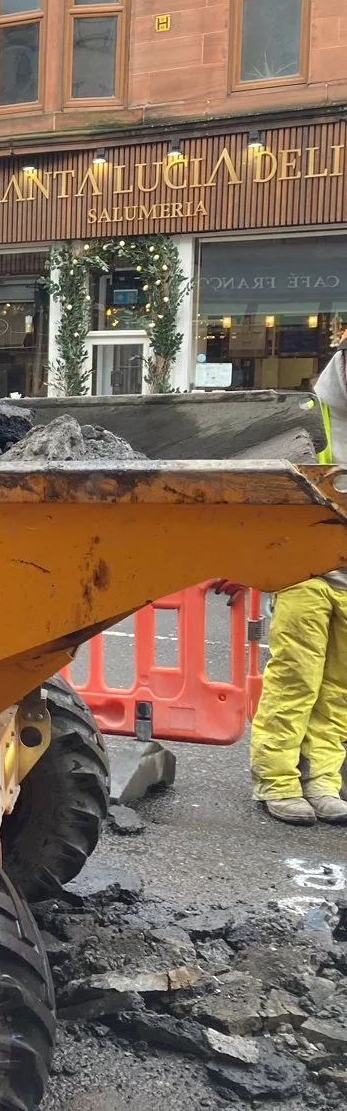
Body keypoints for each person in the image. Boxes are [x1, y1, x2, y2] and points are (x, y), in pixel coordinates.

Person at [234, 341, 347, 826]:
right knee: (294, 679)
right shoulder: (308, 416)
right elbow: (272, 493)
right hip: (306, 571)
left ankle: (324, 781)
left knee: (337, 689)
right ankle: (277, 780)